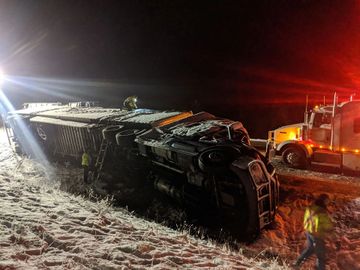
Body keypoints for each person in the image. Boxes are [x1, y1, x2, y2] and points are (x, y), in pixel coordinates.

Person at [293, 193, 333, 270]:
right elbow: (328, 226)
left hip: (309, 232)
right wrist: (334, 237)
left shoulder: (310, 207)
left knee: (310, 249)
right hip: (317, 235)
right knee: (320, 255)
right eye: (327, 201)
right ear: (325, 201)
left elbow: (306, 219)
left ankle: (297, 264)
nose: (328, 203)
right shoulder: (322, 212)